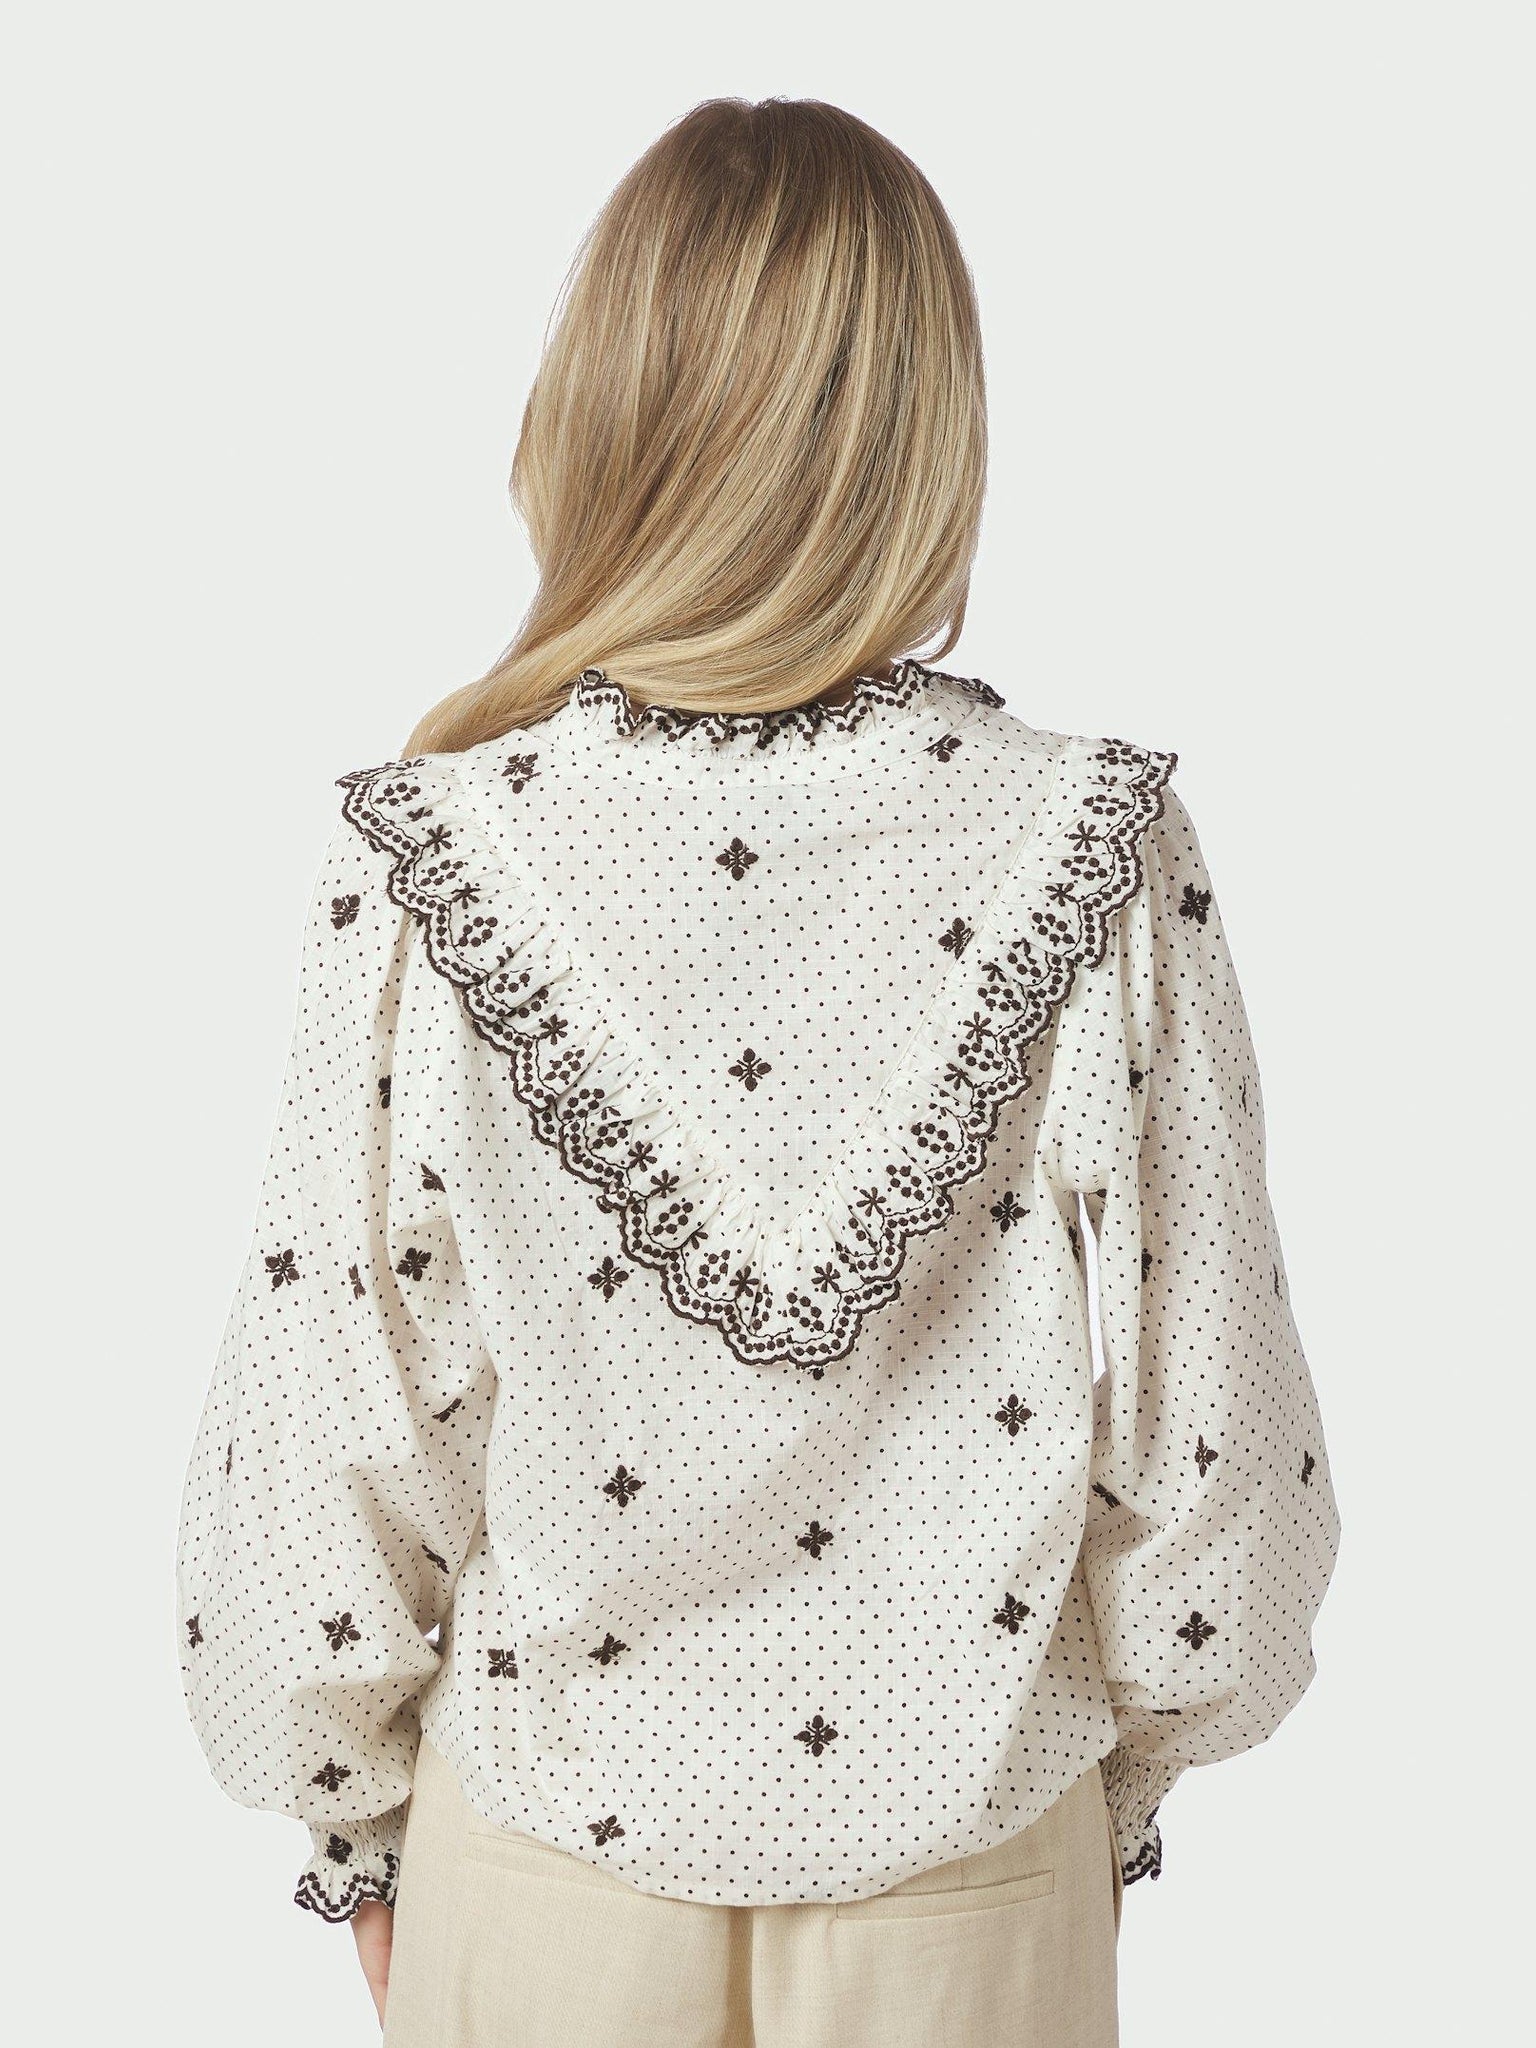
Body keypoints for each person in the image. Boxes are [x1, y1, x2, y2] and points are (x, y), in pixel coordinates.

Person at [176, 96, 1339, 2048]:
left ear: (600, 409)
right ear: (927, 430)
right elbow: (1214, 1440)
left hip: (539, 1864)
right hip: (974, 1870)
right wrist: (1118, 1783)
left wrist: (352, 1824)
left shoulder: (434, 857)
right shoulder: (1092, 846)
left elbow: (330, 1422)